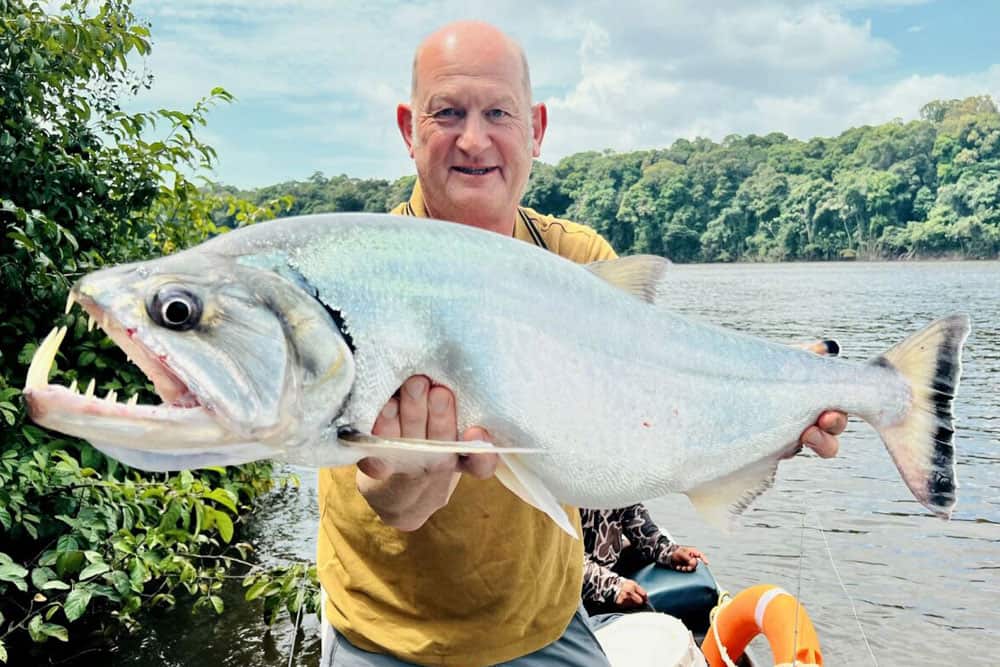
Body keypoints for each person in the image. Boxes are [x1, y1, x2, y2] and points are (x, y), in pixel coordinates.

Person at [316, 20, 848, 667]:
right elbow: (377, 494)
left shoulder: (579, 260)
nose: (475, 138)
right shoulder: (360, 276)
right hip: (387, 636)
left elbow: (650, 410)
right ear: (408, 127)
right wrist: (399, 490)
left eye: (499, 113)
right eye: (448, 112)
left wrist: (768, 410)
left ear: (536, 128)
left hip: (546, 623)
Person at [580, 505, 707, 616]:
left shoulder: (613, 484)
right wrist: (613, 587)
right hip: (573, 589)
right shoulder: (563, 494)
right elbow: (565, 561)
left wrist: (670, 552)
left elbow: (633, 515)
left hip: (607, 565)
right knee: (643, 612)